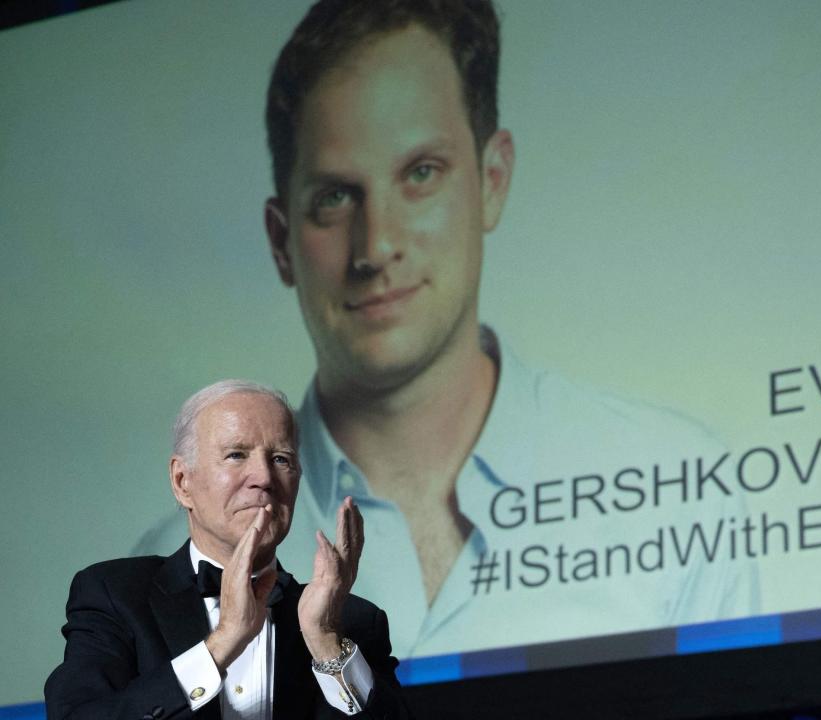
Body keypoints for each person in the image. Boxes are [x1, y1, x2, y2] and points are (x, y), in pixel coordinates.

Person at [137, 0, 758, 660]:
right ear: (281, 239)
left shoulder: (677, 489)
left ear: (492, 181)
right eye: (334, 197)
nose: (375, 247)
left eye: (421, 174)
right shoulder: (160, 572)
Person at [47, 380, 411, 719]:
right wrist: (221, 644)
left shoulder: (353, 623)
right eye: (236, 455)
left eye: (281, 459)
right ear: (182, 481)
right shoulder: (114, 594)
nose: (264, 478)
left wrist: (326, 639)